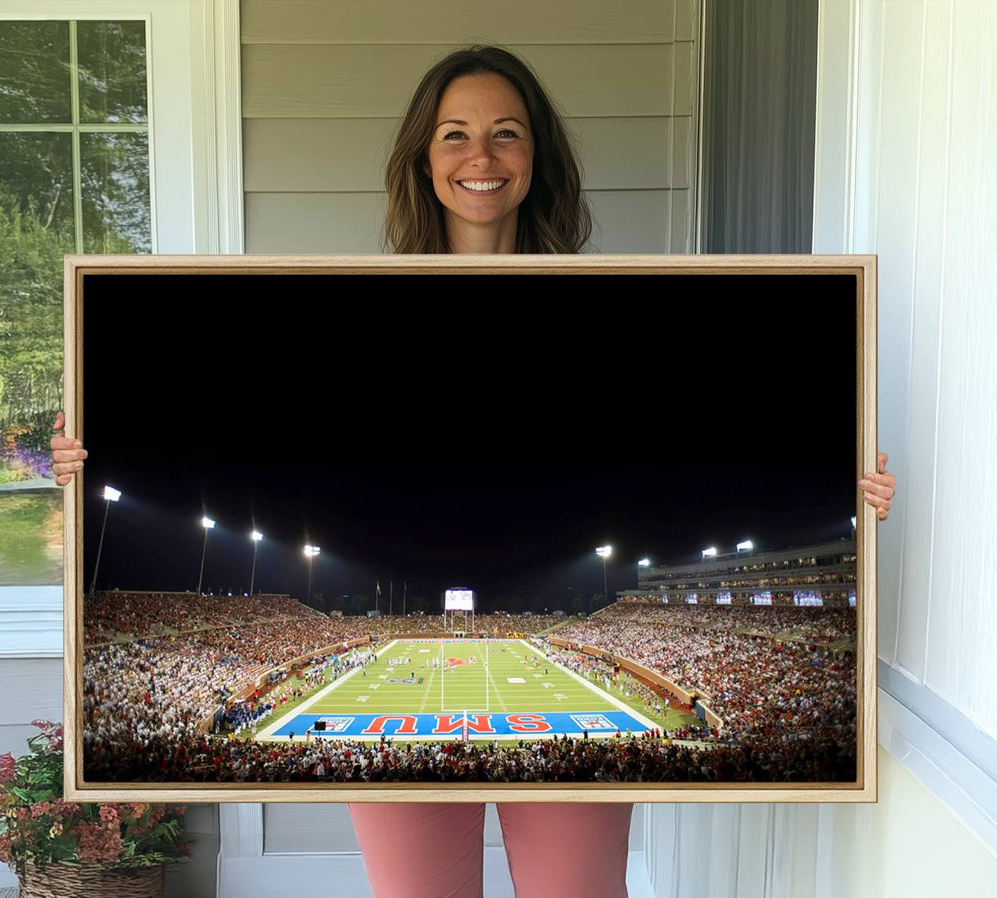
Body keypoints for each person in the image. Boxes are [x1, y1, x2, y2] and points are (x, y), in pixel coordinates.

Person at [52, 44, 897, 898]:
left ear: (538, 158)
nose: (480, 157)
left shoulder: (622, 302)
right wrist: (90, 454)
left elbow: (693, 445)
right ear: (424, 157)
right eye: (455, 134)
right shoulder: (349, 301)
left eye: (506, 133)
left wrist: (845, 487)